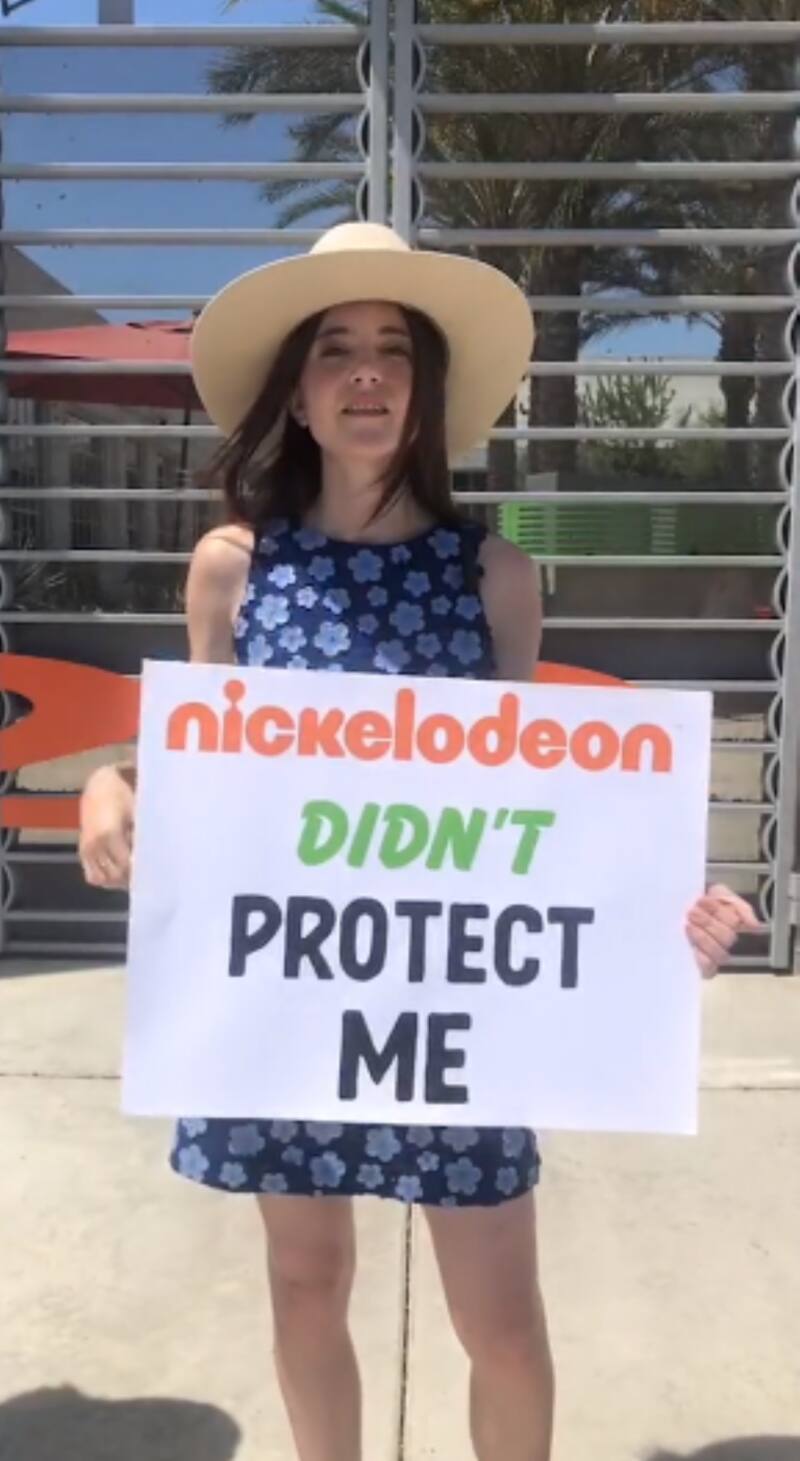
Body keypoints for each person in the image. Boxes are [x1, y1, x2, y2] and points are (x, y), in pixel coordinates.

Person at [79, 222, 758, 1461]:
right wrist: (113, 788)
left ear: (425, 387)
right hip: (293, 993)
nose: (366, 372)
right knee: (305, 1281)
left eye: (393, 348)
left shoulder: (495, 576)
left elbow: (533, 809)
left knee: (499, 1320)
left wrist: (656, 907)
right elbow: (203, 772)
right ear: (296, 389)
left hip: (453, 1007)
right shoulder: (233, 568)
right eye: (335, 347)